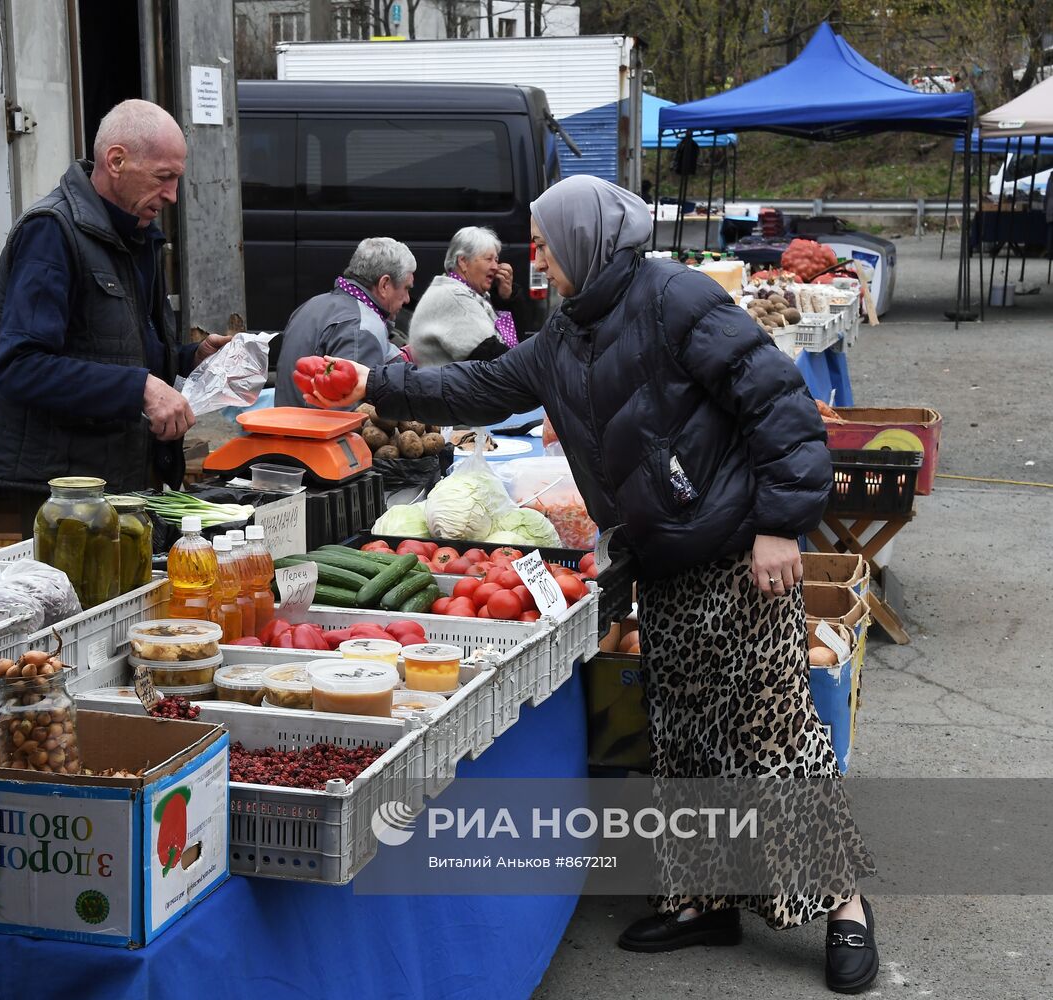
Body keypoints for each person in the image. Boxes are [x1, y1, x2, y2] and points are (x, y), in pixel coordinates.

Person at [300, 174, 879, 995]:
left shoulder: (672, 297)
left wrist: (780, 524)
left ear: (585, 240)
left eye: (542, 240)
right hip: (662, 554)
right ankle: (703, 899)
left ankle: (844, 905)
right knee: (682, 731)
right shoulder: (569, 330)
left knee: (767, 730)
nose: (533, 256)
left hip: (732, 546)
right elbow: (475, 386)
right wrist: (372, 385)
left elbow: (776, 402)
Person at [0, 99, 230, 525]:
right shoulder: (50, 231)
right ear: (116, 160)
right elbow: (21, 366)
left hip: (106, 488)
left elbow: (117, 352)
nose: (173, 195)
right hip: (48, 498)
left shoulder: (138, 236)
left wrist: (188, 359)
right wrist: (141, 388)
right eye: (164, 177)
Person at [272, 238, 414, 408]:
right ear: (384, 285)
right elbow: (347, 415)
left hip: (283, 428)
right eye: (406, 288)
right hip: (320, 432)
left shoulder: (311, 305)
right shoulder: (362, 327)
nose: (407, 299)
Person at [408, 226, 523, 366]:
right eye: (488, 259)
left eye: (496, 260)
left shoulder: (471, 293)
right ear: (463, 261)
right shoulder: (453, 297)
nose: (495, 267)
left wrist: (506, 299)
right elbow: (495, 358)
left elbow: (514, 343)